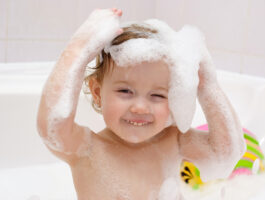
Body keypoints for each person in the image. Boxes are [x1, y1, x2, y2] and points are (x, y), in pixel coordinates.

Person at [37, 8, 246, 200]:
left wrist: (207, 85)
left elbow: (226, 153)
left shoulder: (175, 141)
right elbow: (52, 128)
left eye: (157, 95)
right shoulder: (88, 150)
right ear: (98, 92)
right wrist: (78, 50)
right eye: (125, 91)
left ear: (175, 96)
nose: (140, 107)